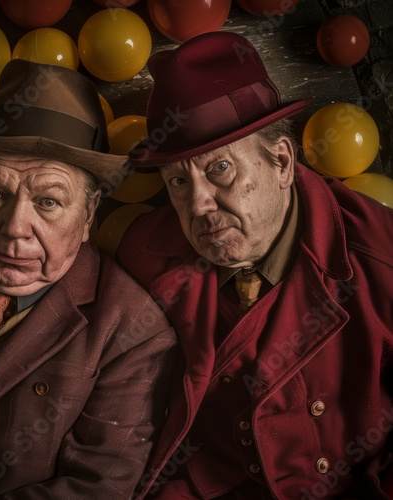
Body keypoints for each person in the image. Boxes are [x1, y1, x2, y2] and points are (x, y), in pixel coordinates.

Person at [118, 32, 393, 500]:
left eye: (219, 169)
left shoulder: (381, 256)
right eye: (178, 181)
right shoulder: (143, 256)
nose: (199, 204)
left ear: (282, 162)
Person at [0, 59, 177, 499]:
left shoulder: (132, 335)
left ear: (87, 217)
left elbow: (95, 488)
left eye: (47, 201)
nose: (14, 227)